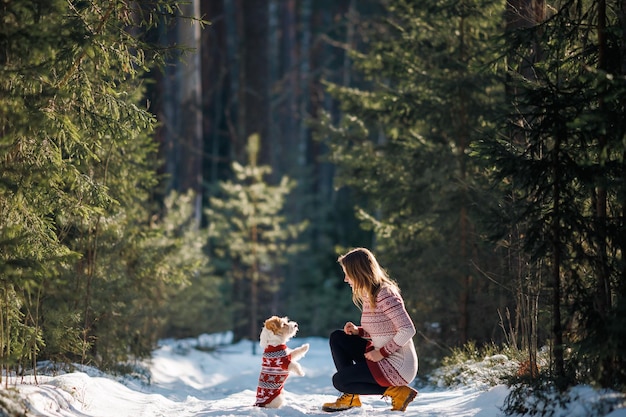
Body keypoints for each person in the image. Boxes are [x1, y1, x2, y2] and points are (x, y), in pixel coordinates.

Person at [322, 247, 418, 413]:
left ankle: (398, 392)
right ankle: (351, 396)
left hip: (399, 365)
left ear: (359, 272)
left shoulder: (385, 294)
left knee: (340, 381)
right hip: (384, 356)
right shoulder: (370, 293)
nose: (345, 279)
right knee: (338, 337)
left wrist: (381, 353)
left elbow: (407, 329)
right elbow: (382, 330)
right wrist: (358, 332)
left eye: (348, 274)